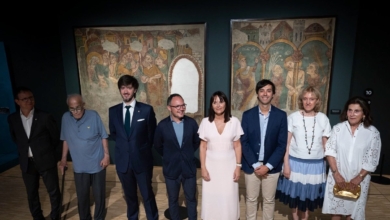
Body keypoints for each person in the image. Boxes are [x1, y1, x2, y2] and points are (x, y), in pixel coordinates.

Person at [276, 86, 331, 220]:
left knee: (309, 196)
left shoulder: (323, 118)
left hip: (316, 165)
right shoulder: (293, 117)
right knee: (295, 195)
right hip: (295, 163)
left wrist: (330, 169)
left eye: (312, 99)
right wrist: (286, 165)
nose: (308, 102)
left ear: (317, 101)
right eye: (305, 99)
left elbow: (327, 146)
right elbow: (286, 144)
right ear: (301, 100)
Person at [322, 96, 381, 220]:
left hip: (360, 178)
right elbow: (330, 151)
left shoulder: (372, 133)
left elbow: (372, 158)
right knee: (336, 212)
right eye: (350, 110)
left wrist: (359, 177)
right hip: (337, 176)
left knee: (352, 214)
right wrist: (336, 173)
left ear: (364, 113)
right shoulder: (338, 129)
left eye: (356, 111)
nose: (352, 114)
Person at [108, 75, 158, 220]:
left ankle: (152, 217)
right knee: (130, 196)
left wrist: (139, 149)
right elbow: (114, 133)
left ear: (135, 89)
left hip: (142, 161)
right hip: (124, 162)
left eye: (129, 87)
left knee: (147, 194)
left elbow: (151, 135)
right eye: (123, 88)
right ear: (119, 90)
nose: (125, 91)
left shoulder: (146, 110)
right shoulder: (113, 111)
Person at [7, 86, 61, 220]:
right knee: (31, 194)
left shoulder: (45, 116)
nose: (29, 101)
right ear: (17, 101)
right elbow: (16, 138)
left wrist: (47, 153)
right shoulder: (13, 119)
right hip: (27, 163)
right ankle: (37, 217)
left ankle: (55, 216)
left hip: (45, 160)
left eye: (31, 97)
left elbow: (55, 138)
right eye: (24, 99)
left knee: (53, 192)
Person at [241, 79, 288, 220]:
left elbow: (282, 144)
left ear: (273, 94)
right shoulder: (247, 115)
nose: (265, 94)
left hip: (271, 167)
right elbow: (244, 142)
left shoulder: (281, 116)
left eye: (268, 90)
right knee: (251, 199)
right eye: (262, 91)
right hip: (251, 166)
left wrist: (267, 166)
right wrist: (255, 164)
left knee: (268, 201)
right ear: (257, 94)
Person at [59, 94, 110, 220]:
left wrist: (106, 155)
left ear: (83, 105)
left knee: (99, 196)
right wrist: (63, 159)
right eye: (72, 109)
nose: (75, 112)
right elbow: (65, 139)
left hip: (97, 164)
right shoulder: (65, 118)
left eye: (78, 108)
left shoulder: (93, 116)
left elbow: (103, 136)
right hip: (79, 166)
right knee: (82, 197)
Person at [154, 93, 200, 220]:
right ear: (169, 108)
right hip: (171, 169)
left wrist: (187, 153)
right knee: (173, 199)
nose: (181, 108)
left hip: (189, 169)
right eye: (177, 106)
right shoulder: (162, 126)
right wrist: (170, 156)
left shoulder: (191, 123)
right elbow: (158, 145)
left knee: (191, 199)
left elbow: (196, 142)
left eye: (183, 105)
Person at [198, 91, 243, 220]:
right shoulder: (205, 122)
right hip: (211, 168)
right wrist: (203, 168)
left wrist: (238, 167)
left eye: (221, 101)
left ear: (226, 104)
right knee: (211, 197)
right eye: (215, 102)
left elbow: (237, 145)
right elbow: (203, 146)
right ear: (211, 105)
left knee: (229, 197)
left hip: (229, 168)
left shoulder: (234, 122)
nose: (218, 105)